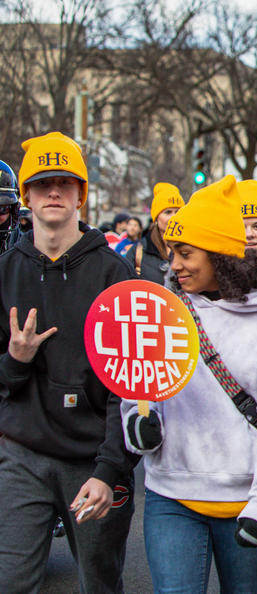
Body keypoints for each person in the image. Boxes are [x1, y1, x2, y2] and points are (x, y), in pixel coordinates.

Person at [122, 175, 257, 593]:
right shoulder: (165, 312)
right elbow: (138, 383)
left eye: (186, 253)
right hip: (171, 494)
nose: (174, 264)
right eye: (172, 253)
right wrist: (137, 423)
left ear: (221, 255)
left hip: (249, 504)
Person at [0, 132, 138, 593]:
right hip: (23, 455)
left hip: (92, 459)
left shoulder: (113, 273)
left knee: (99, 583)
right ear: (27, 196)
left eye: (65, 182)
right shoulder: (7, 270)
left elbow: (133, 387)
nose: (54, 192)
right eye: (42, 184)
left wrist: (110, 469)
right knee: (12, 581)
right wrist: (16, 360)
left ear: (81, 193)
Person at [124, 182, 185, 284]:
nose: (173, 217)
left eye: (178, 212)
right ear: (156, 218)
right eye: (168, 212)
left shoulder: (193, 249)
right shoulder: (138, 252)